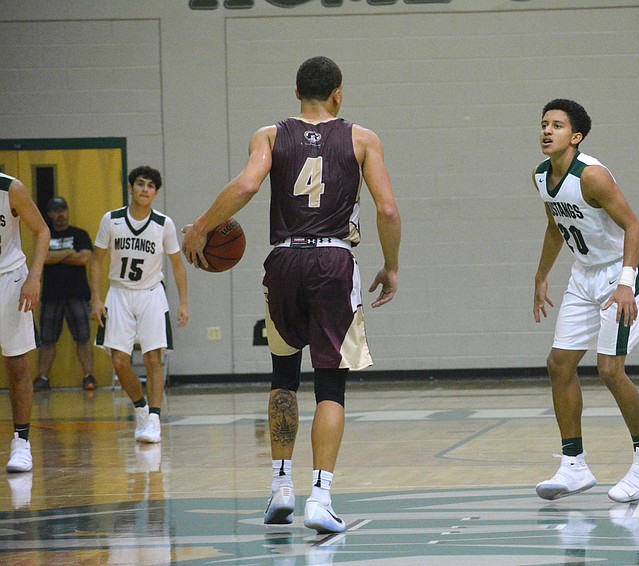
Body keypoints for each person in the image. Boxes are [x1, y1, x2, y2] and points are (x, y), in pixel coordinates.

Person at [181, 56, 401, 534]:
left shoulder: (270, 135)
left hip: (282, 259)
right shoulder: (362, 139)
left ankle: (280, 487)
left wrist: (202, 227)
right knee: (330, 384)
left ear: (295, 92)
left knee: (283, 377)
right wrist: (392, 265)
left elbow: (245, 185)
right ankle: (320, 497)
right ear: (338, 93)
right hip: (333, 260)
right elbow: (387, 207)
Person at [531, 99, 639, 503]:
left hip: (622, 273)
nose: (546, 130)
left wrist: (626, 283)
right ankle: (574, 466)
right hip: (584, 274)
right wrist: (541, 275)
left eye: (557, 125)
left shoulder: (592, 176)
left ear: (575, 137)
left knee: (609, 370)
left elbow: (633, 226)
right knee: (559, 365)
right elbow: (556, 227)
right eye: (543, 124)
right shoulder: (541, 176)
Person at [89, 165, 189, 445]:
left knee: (153, 358)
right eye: (141, 184)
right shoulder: (111, 220)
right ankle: (140, 407)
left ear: (156, 193)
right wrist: (96, 298)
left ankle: (154, 418)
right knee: (119, 360)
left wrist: (183, 302)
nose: (145, 189)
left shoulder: (163, 224)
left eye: (150, 186)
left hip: (150, 293)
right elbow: (95, 260)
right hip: (119, 293)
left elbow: (178, 265)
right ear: (131, 187)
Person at [0, 173, 50, 473]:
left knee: (16, 364)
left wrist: (34, 276)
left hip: (9, 279)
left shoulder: (10, 188)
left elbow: (42, 230)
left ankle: (21, 443)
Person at [33, 196, 97, 392]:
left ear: (67, 212)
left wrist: (56, 256)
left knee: (83, 338)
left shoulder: (80, 234)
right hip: (51, 296)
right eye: (55, 210)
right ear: (50, 214)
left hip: (77, 294)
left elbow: (84, 258)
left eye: (63, 209)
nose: (60, 214)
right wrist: (69, 252)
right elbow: (43, 258)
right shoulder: (44, 235)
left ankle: (88, 377)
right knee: (48, 340)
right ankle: (42, 378)